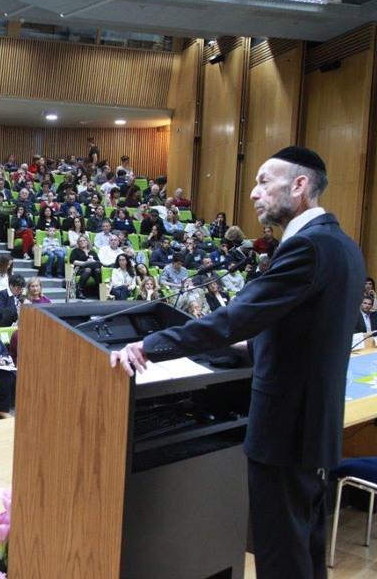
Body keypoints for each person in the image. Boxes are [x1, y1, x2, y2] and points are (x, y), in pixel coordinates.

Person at [111, 146, 366, 579]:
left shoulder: (307, 247)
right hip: (314, 429)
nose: (253, 193)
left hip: (285, 430)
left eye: (265, 180)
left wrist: (151, 344)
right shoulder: (345, 246)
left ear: (299, 185)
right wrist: (255, 347)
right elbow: (307, 335)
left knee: (280, 555)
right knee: (304, 549)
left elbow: (231, 319)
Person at [70, 235, 101, 299]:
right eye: (80, 241)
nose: (82, 242)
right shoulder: (75, 251)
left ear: (87, 242)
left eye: (84, 240)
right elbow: (73, 261)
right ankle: (79, 290)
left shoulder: (92, 252)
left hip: (94, 270)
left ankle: (99, 290)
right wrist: (85, 263)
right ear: (78, 243)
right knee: (88, 269)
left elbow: (98, 262)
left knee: (98, 270)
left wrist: (92, 261)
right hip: (80, 269)